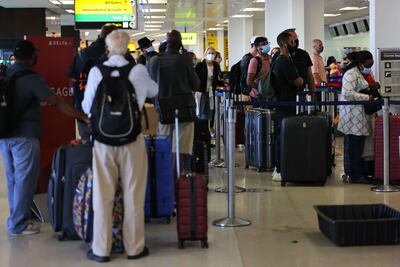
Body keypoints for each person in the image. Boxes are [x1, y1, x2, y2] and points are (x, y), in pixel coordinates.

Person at [81, 30, 158, 262]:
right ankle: (134, 248)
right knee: (134, 194)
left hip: (103, 142)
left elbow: (86, 107)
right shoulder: (138, 70)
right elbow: (154, 92)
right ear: (127, 48)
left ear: (107, 47)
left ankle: (101, 250)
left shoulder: (96, 71)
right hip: (132, 141)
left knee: (102, 195)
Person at [0, 40, 89, 236]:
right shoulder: (31, 78)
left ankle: (16, 218)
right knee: (25, 180)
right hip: (25, 136)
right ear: (32, 57)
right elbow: (56, 102)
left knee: (13, 179)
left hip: (5, 135)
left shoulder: (6, 73)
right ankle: (18, 223)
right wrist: (82, 116)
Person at [147, 29, 200, 175]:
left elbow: (149, 87)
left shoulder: (154, 61)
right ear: (180, 44)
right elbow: (196, 84)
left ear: (165, 43)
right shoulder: (185, 60)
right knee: (182, 147)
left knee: (165, 144)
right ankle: (179, 175)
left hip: (163, 110)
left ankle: (165, 178)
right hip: (185, 110)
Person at [68, 23, 118, 141]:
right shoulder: (116, 55)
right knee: (109, 145)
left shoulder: (81, 54)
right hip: (110, 110)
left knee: (86, 145)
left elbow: (71, 76)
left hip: (83, 107)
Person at [338, 51, 376, 184]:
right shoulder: (351, 73)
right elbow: (347, 93)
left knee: (358, 145)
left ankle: (358, 172)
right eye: (368, 64)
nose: (369, 67)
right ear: (361, 63)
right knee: (355, 146)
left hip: (360, 115)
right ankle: (355, 175)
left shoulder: (361, 73)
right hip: (353, 116)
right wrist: (367, 97)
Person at [271, 32, 304, 182]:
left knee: (282, 136)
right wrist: (301, 78)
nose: (295, 43)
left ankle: (282, 168)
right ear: (285, 44)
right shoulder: (284, 61)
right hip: (285, 104)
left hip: (283, 103)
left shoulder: (280, 60)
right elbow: (298, 82)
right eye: (293, 41)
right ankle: (280, 168)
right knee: (283, 136)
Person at [195, 47, 221, 129]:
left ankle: (207, 131)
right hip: (200, 92)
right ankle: (199, 132)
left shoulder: (216, 66)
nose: (211, 55)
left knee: (209, 113)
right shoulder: (200, 65)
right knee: (200, 112)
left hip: (210, 93)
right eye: (209, 53)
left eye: (213, 53)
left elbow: (217, 79)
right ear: (205, 54)